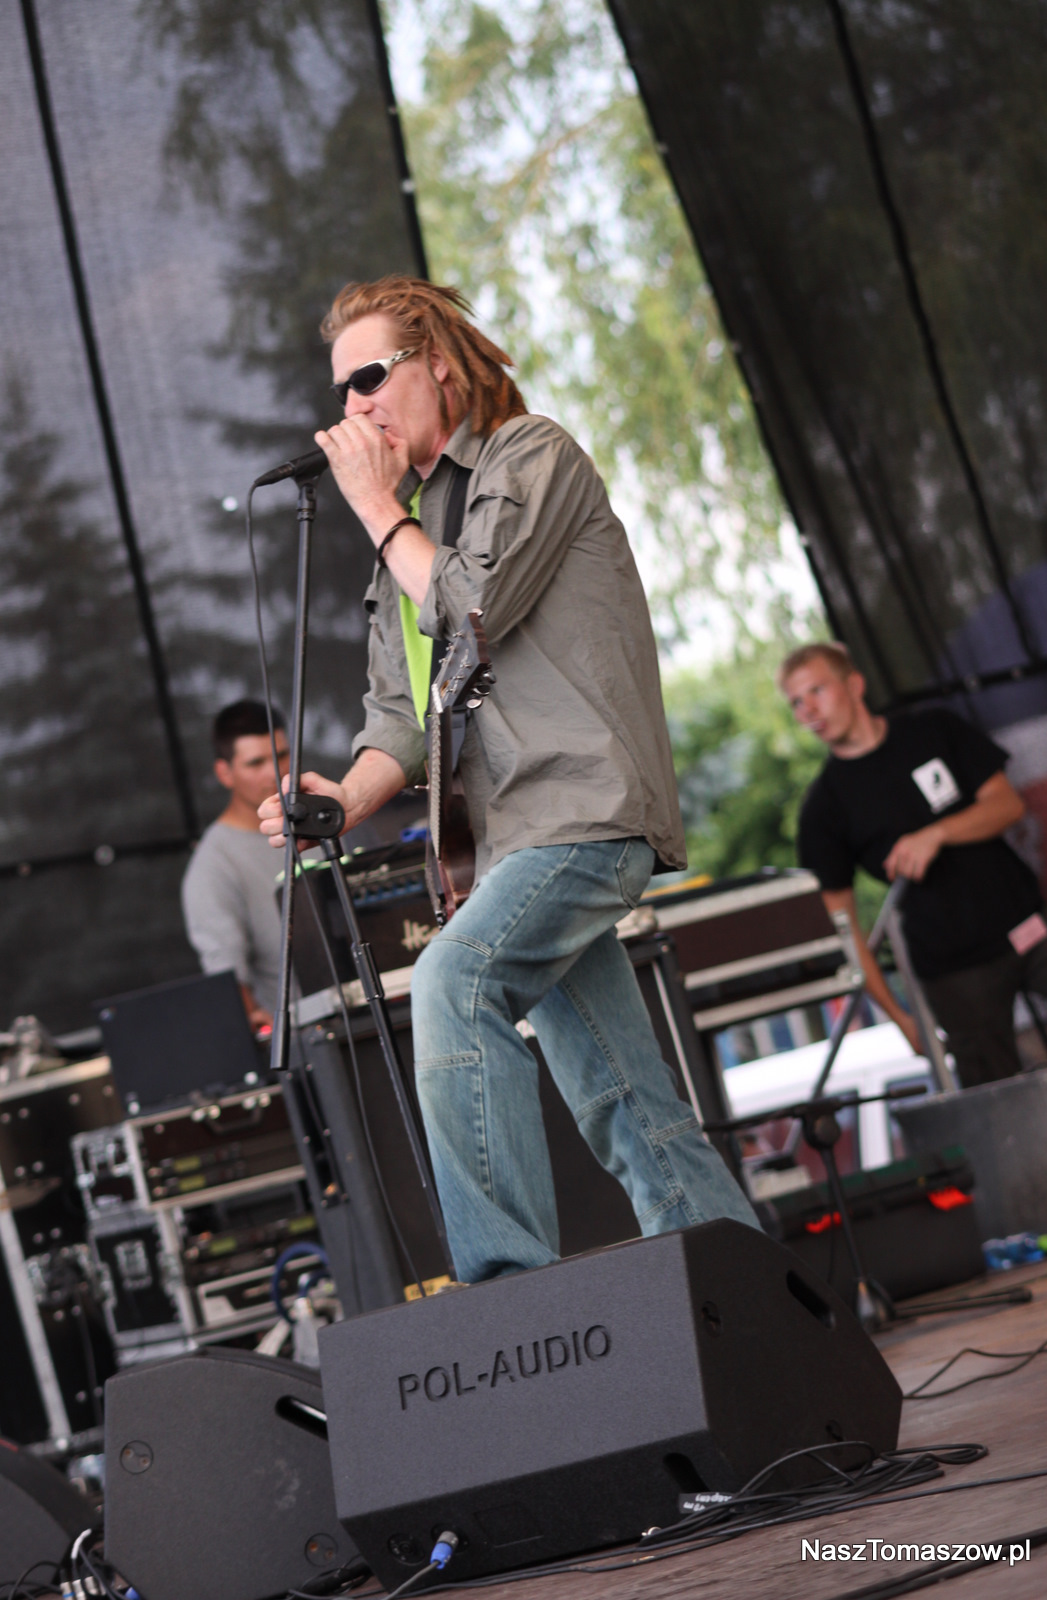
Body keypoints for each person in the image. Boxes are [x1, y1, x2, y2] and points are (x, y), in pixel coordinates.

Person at [258, 275, 757, 1282]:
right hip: (506, 848)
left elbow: (471, 604)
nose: (351, 406)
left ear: (438, 365)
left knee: (456, 980)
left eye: (368, 377)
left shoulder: (529, 455)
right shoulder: (401, 539)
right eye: (340, 389)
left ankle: (501, 1290)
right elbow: (399, 722)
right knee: (629, 1104)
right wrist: (342, 799)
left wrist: (373, 508)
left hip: (583, 811)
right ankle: (757, 1312)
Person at [781, 641, 1047, 1088]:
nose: (808, 710)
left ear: (854, 685)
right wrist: (900, 1018)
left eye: (817, 690)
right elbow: (842, 927)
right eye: (796, 702)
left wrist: (937, 833)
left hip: (1029, 926)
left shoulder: (932, 730)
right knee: (995, 1097)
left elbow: (1008, 806)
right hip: (953, 970)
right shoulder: (823, 808)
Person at [182, 700, 290, 1032]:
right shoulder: (212, 865)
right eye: (255, 763)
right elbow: (228, 977)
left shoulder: (330, 818)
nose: (273, 772)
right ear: (224, 773)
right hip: (302, 1035)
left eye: (282, 755)